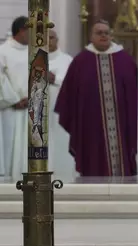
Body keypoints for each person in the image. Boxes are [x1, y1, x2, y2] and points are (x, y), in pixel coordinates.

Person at [55, 20, 138, 177]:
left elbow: (136, 93)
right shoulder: (80, 61)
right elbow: (69, 95)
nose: (103, 36)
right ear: (90, 36)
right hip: (90, 125)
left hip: (121, 122)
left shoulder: (125, 60)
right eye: (99, 33)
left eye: (106, 33)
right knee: (92, 158)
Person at [0, 16, 29, 179]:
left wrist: (32, 98)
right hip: (8, 110)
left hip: (30, 108)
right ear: (21, 31)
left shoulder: (37, 52)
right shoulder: (2, 52)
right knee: (8, 147)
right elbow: (1, 79)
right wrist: (14, 100)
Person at [47, 29, 76, 180]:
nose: (48, 40)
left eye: (51, 37)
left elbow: (75, 84)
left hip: (61, 111)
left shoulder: (67, 60)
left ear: (57, 40)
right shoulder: (32, 59)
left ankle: (63, 174)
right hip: (39, 110)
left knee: (60, 141)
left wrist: (55, 79)